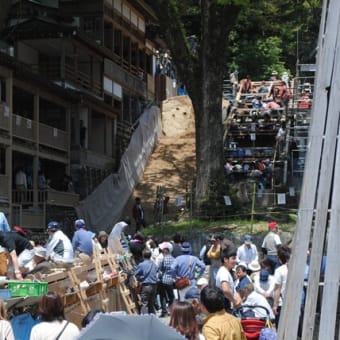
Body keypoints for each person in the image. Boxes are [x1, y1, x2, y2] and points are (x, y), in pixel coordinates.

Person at [215, 247, 241, 311]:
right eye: (233, 258)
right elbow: (225, 289)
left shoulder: (226, 271)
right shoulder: (224, 272)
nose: (235, 261)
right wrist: (234, 301)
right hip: (224, 305)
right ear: (225, 259)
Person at [134, 249, 159, 314]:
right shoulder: (153, 264)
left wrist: (141, 278)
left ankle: (144, 319)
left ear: (143, 256)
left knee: (144, 304)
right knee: (151, 303)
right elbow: (156, 270)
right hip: (154, 286)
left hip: (146, 286)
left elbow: (136, 274)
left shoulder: (141, 265)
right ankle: (153, 319)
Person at [273, 245, 291, 326]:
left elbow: (277, 289)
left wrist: (275, 305)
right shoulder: (298, 269)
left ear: (280, 259)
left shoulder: (279, 271)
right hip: (296, 303)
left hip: (282, 303)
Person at [158, 243, 175, 317]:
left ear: (164, 252)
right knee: (171, 296)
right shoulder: (174, 259)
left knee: (163, 296)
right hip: (171, 280)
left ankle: (164, 312)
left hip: (163, 280)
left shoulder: (163, 259)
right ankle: (172, 311)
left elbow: (160, 268)